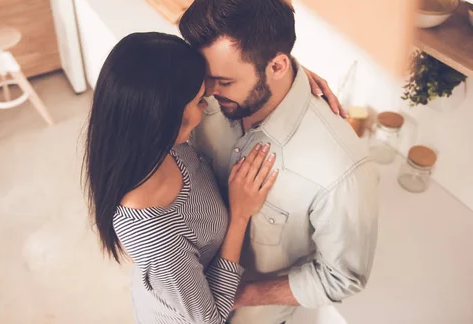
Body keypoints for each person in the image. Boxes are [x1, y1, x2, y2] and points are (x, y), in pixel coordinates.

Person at [84, 32, 339, 323]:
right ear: (162, 119)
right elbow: (210, 318)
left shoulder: (147, 146)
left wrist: (285, 78)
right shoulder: (156, 234)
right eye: (198, 102)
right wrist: (240, 214)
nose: (208, 105)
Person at [178, 0, 379, 324]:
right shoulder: (200, 100)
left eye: (224, 82)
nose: (207, 92)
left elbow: (342, 277)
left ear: (277, 66)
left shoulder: (342, 171)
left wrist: (236, 294)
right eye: (205, 77)